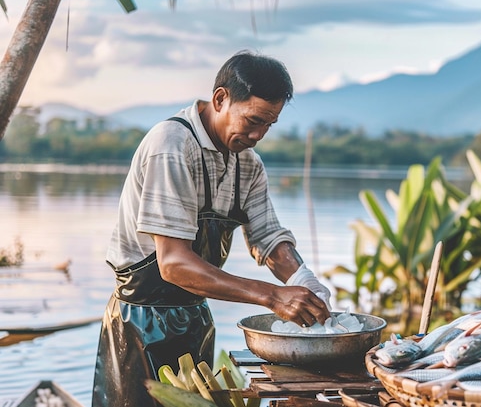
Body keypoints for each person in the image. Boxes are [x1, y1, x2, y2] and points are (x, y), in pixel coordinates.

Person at [92, 50, 332, 407]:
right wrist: (271, 296)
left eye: (269, 124)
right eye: (253, 120)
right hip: (140, 323)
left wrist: (303, 280)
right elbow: (172, 263)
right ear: (220, 98)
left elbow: (268, 238)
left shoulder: (247, 164)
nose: (259, 134)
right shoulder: (171, 145)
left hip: (195, 318)